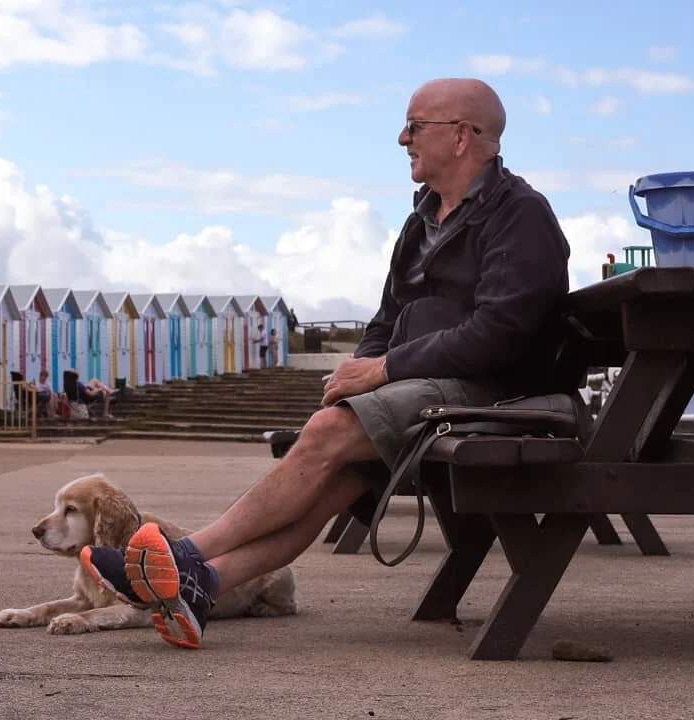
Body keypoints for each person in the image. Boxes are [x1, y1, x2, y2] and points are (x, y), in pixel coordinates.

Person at [81, 77, 572, 650]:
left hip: (497, 395)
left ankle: (181, 555)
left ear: (463, 137)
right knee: (337, 469)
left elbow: (502, 333)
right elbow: (386, 321)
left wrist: (382, 372)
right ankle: (203, 584)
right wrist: (356, 372)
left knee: (329, 432)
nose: (402, 137)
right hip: (434, 388)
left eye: (415, 125)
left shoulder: (521, 215)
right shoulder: (422, 222)